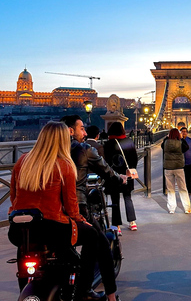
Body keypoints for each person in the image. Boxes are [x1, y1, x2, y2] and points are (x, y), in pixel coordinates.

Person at [7, 122, 121, 301]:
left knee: (27, 244)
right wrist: (81, 220)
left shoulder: (23, 160)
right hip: (52, 229)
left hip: (18, 230)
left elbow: (13, 197)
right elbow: (71, 205)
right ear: (62, 139)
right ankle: (84, 291)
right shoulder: (64, 164)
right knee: (91, 235)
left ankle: (24, 286)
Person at [60, 115, 126, 301]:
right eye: (82, 128)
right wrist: (120, 178)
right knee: (100, 243)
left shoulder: (50, 152)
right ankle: (107, 296)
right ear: (71, 131)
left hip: (53, 211)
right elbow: (106, 170)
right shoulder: (83, 149)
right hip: (77, 206)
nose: (85, 132)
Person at [104, 122, 139, 234]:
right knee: (127, 197)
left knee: (115, 199)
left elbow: (106, 162)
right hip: (127, 174)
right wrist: (131, 170)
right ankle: (132, 222)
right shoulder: (129, 142)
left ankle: (116, 225)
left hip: (114, 175)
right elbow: (135, 158)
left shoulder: (108, 144)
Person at [161, 128, 191, 214]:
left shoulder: (166, 143)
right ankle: (187, 208)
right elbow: (186, 147)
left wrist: (167, 138)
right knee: (182, 188)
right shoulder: (181, 143)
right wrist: (181, 138)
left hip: (168, 168)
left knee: (170, 189)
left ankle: (171, 209)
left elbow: (162, 146)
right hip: (179, 167)